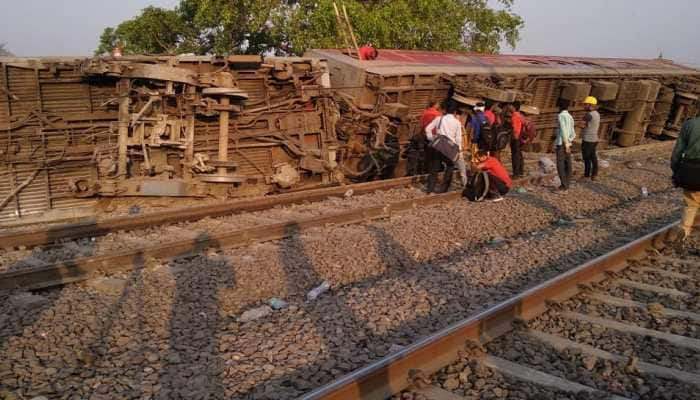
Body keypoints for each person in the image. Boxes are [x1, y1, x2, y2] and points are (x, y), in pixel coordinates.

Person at [670, 115, 700, 242]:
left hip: (691, 170)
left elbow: (677, 152)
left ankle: (684, 230)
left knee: (691, 204)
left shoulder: (690, 124)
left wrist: (676, 171)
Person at [425, 100, 463, 193]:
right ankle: (444, 189)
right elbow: (458, 138)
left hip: (438, 146)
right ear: (455, 111)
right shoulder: (457, 122)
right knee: (449, 168)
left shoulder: (439, 119)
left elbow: (427, 129)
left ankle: (430, 189)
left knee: (434, 168)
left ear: (445, 110)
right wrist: (460, 150)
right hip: (450, 148)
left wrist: (432, 139)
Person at [407, 101, 442, 175]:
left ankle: (419, 171)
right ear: (435, 105)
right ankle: (427, 171)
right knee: (430, 156)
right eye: (438, 104)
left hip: (424, 136)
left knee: (422, 154)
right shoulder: (438, 115)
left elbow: (421, 125)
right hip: (434, 137)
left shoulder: (425, 112)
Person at [555, 99, 576, 191]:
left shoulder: (560, 116)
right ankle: (567, 183)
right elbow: (573, 132)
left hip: (562, 143)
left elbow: (563, 130)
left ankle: (564, 185)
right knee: (568, 163)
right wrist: (569, 141)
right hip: (568, 142)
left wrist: (566, 144)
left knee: (560, 164)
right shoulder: (570, 116)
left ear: (559, 107)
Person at [581, 96, 600, 180]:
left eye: (585, 104)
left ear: (590, 105)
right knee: (593, 157)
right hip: (594, 139)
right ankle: (594, 174)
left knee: (586, 158)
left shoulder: (588, 115)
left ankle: (586, 175)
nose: (584, 106)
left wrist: (581, 124)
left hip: (587, 139)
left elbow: (581, 125)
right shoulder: (597, 114)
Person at [507, 102, 525, 177]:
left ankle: (516, 173)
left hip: (515, 137)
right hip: (519, 137)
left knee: (515, 156)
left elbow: (514, 128)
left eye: (510, 105)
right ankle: (520, 172)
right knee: (519, 155)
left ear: (513, 107)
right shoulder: (520, 115)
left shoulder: (514, 115)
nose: (509, 107)